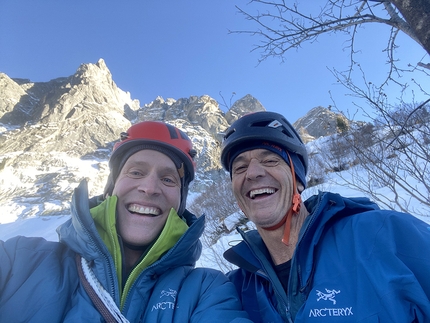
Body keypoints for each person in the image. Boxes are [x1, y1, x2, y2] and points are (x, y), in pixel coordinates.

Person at [0, 121, 251, 322]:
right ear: (111, 188)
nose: (150, 187)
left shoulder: (206, 291)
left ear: (180, 202)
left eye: (168, 179)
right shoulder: (17, 260)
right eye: (136, 172)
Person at [220, 111, 430, 322]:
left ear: (298, 181)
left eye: (271, 160)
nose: (253, 173)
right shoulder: (232, 292)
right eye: (240, 167)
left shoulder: (384, 234)